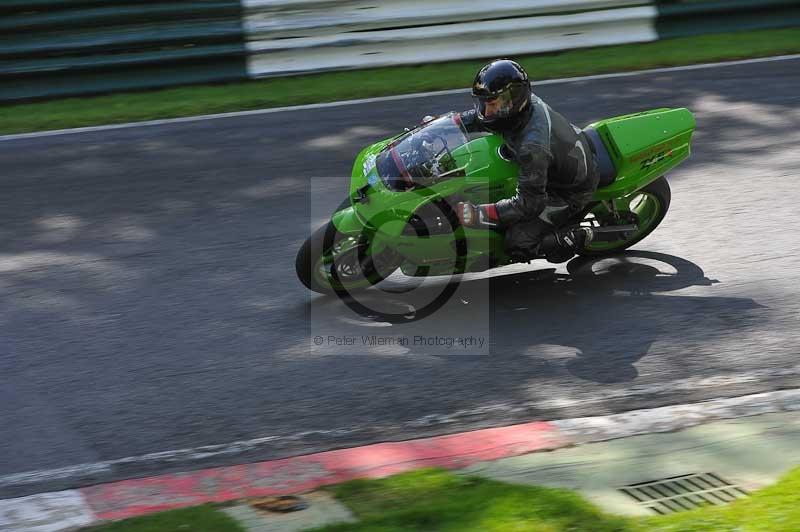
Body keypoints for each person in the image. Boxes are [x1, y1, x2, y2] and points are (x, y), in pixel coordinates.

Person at [455, 59, 599, 263]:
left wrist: (478, 214)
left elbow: (530, 204)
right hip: (560, 158)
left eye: (492, 104)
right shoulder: (522, 106)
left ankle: (574, 237)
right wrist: (447, 127)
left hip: (567, 192)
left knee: (517, 242)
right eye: (484, 103)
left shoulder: (532, 148)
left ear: (511, 100)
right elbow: (483, 119)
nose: (486, 111)